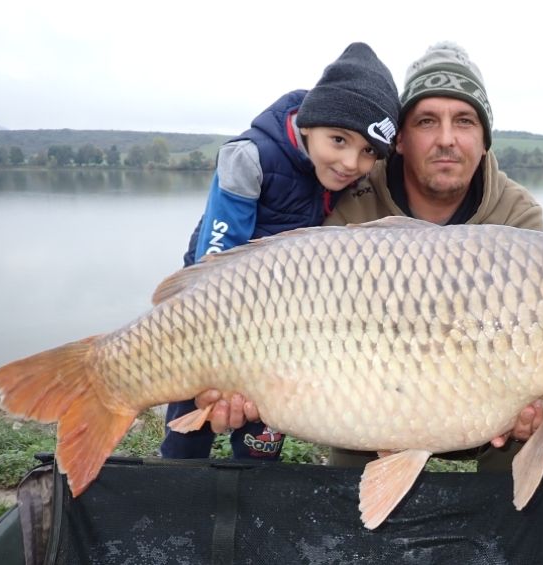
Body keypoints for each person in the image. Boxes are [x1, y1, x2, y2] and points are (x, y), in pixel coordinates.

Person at [190, 42, 543, 471]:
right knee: (350, 495)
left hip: (487, 408)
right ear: (399, 139)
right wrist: (249, 385)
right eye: (427, 121)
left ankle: (504, 525)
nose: (447, 139)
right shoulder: (353, 192)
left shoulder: (518, 218)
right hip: (367, 402)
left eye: (465, 121)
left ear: (485, 138)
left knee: (533, 428)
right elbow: (293, 320)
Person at [160, 42, 401, 461]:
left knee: (262, 436)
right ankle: (174, 480)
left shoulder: (336, 175)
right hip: (207, 305)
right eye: (339, 140)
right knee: (190, 416)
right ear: (309, 125)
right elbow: (215, 255)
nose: (349, 163)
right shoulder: (249, 157)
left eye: (367, 153)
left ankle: (253, 493)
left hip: (280, 321)